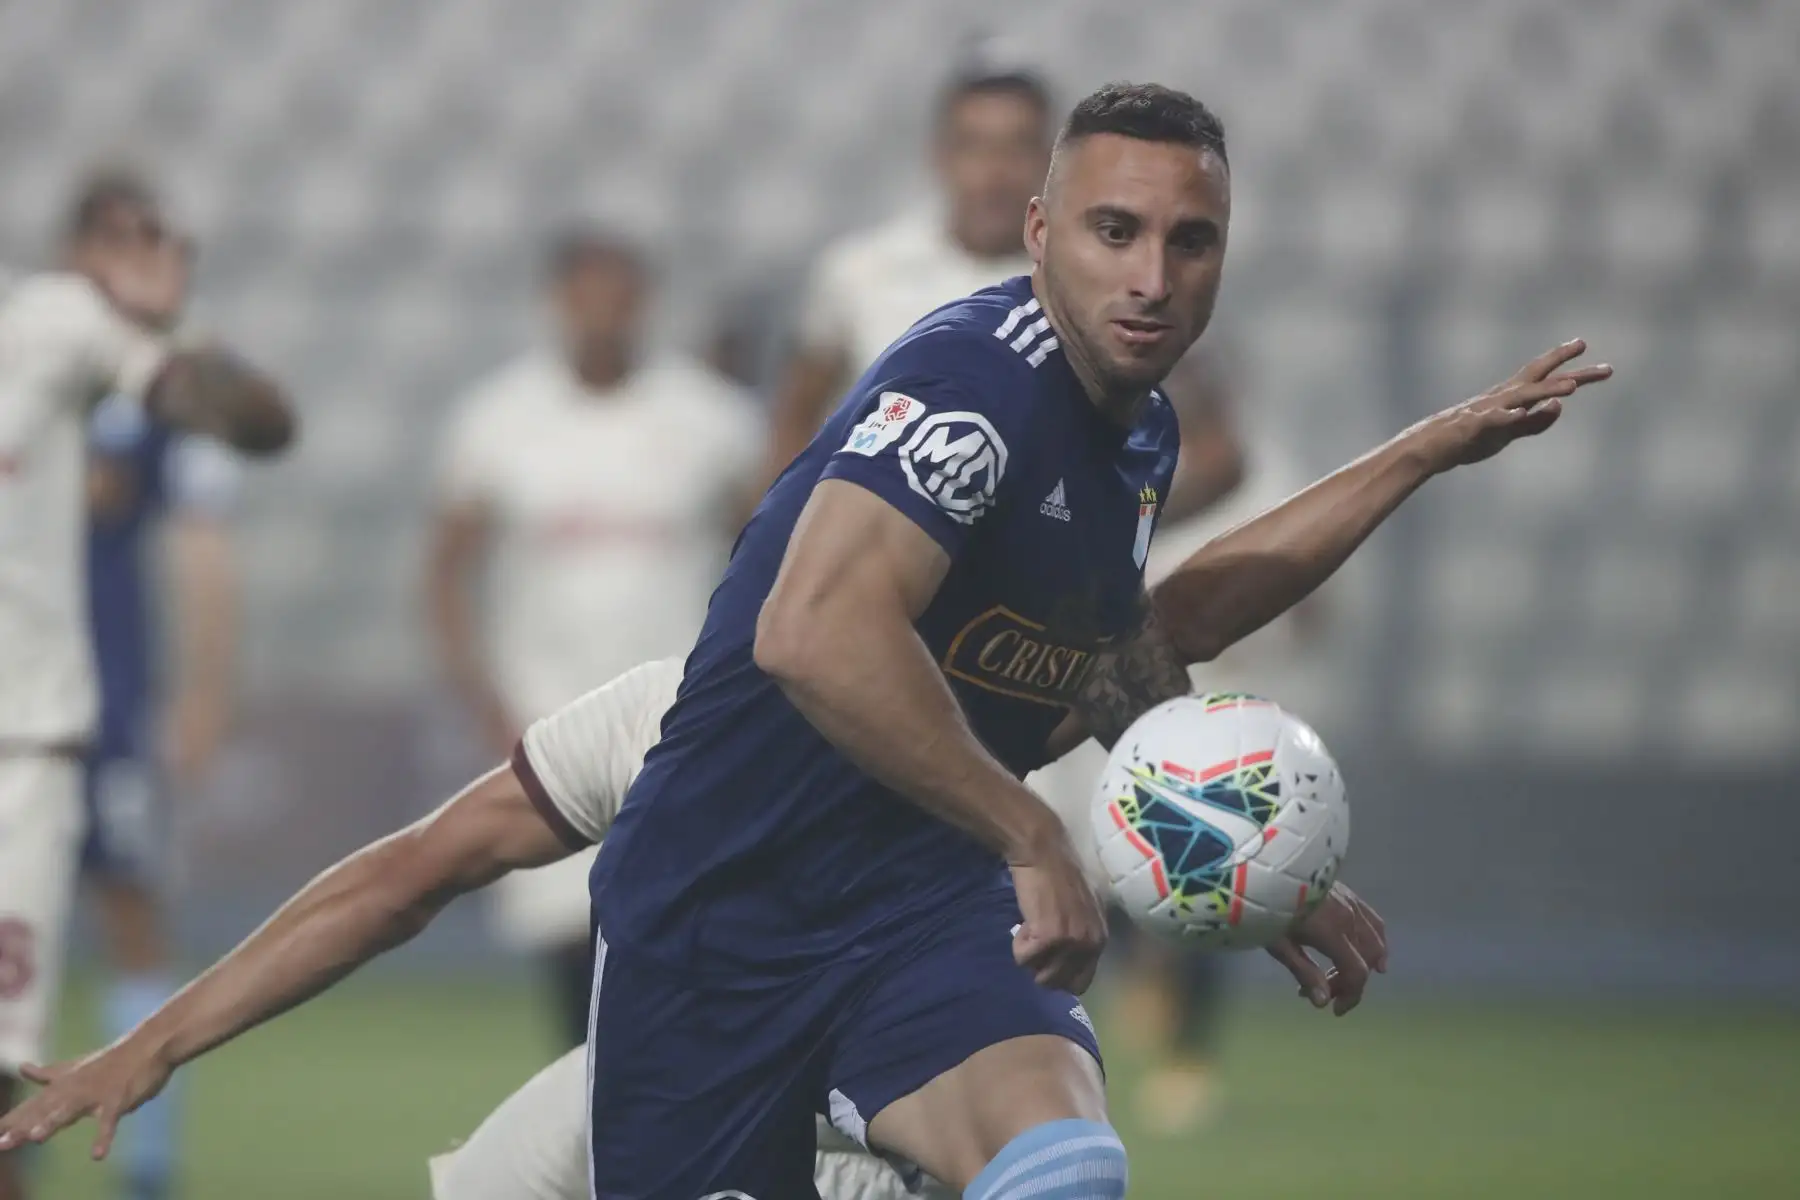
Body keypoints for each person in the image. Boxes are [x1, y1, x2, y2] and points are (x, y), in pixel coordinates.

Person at [576, 80, 1603, 1200]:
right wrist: (1028, 832)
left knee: (1063, 1173)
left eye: (1190, 241)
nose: (1153, 278)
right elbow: (812, 632)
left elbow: (1132, 653)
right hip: (720, 926)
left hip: (920, 906)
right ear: (1040, 232)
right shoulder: (978, 377)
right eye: (1115, 231)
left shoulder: (1138, 433)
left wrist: (1246, 850)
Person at [0, 168, 294, 1200]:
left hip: (38, 734)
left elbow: (261, 429)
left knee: (18, 1052)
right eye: (119, 240)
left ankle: (149, 1174)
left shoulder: (65, 334)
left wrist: (180, 343)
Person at [424, 227, 763, 1051]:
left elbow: (771, 554)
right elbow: (444, 574)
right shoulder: (498, 421)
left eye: (621, 291)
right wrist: (486, 702)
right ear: (558, 301)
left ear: (644, 301)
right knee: (575, 963)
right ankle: (598, 1151)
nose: (604, 311)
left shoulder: (712, 421)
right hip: (551, 727)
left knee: (689, 951)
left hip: (681, 728)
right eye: (587, 292)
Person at [81, 382, 242, 1200]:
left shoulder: (145, 410)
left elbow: (202, 545)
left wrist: (204, 691)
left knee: (136, 924)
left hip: (108, 713)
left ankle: (145, 1165)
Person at [763, 43, 1050, 484]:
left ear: (1051, 160)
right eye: (975, 146)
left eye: (1018, 147)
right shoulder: (860, 271)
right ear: (941, 156)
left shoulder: (1078, 283)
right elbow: (796, 410)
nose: (997, 172)